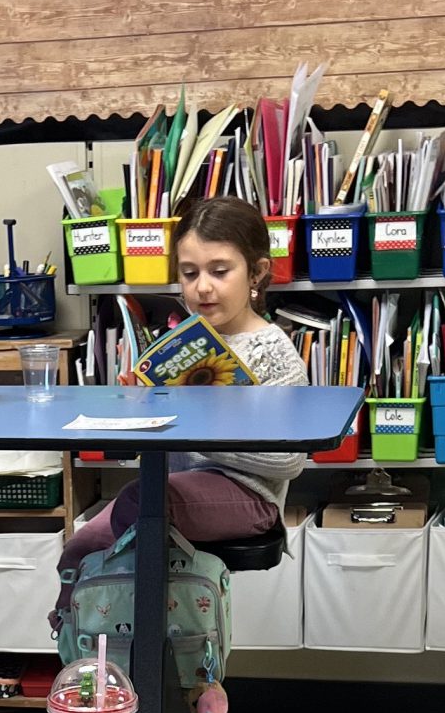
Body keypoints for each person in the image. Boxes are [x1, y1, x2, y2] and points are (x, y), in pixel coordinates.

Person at [56, 195, 309, 582]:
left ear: (256, 273)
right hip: (174, 487)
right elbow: (165, 446)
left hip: (249, 498)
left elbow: (289, 461)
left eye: (220, 271)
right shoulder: (182, 346)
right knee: (79, 549)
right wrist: (138, 411)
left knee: (138, 508)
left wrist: (191, 429)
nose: (203, 287)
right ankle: (80, 636)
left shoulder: (273, 353)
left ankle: (133, 630)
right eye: (190, 274)